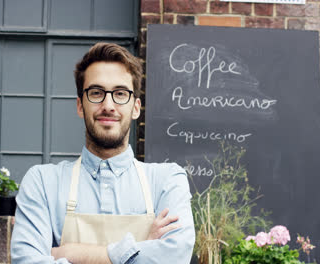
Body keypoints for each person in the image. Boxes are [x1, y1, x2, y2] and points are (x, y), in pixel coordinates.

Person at [11, 42, 195, 263]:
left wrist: (69, 253)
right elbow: (26, 261)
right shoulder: (42, 182)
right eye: (96, 92)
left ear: (136, 108)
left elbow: (174, 257)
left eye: (120, 93)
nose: (108, 105)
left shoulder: (166, 180)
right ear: (80, 106)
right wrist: (137, 249)